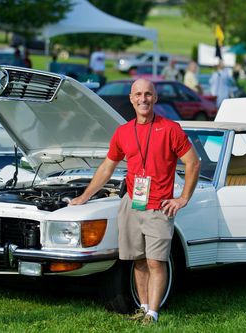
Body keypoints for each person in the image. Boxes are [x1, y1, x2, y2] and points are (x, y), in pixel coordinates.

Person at [70, 78, 200, 324]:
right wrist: (85, 196)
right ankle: (142, 307)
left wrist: (183, 198)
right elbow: (108, 167)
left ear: (155, 98)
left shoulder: (170, 129)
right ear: (131, 99)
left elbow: (193, 162)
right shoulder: (123, 132)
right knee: (137, 260)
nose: (143, 99)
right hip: (132, 202)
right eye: (138, 94)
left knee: (155, 260)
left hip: (159, 205)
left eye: (148, 94)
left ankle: (153, 312)